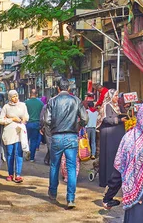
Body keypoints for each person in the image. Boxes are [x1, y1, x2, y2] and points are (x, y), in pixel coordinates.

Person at [42, 77, 88, 209]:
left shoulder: (52, 101)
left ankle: (53, 192)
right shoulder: (76, 100)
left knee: (54, 166)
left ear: (58, 88)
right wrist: (78, 125)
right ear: (68, 88)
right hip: (72, 137)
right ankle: (71, 198)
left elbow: (47, 120)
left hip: (56, 137)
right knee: (71, 167)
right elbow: (85, 118)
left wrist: (53, 128)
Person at [96, 89, 126, 188]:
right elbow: (106, 119)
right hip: (109, 135)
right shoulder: (107, 105)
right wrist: (119, 120)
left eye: (118, 96)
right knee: (109, 156)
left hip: (115, 135)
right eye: (115, 96)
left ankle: (115, 179)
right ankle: (108, 179)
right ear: (111, 96)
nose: (117, 98)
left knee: (115, 156)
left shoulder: (116, 106)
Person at [0, 89, 29, 183]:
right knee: (10, 154)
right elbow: (1, 120)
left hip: (20, 133)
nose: (15, 98)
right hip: (9, 133)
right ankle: (10, 174)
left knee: (19, 153)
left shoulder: (22, 105)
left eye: (16, 96)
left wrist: (23, 119)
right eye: (13, 96)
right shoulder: (6, 107)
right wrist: (12, 119)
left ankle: (18, 174)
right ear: (10, 98)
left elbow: (27, 116)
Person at [25, 89, 44, 162]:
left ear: (30, 94)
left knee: (26, 140)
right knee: (33, 141)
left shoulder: (26, 103)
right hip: (36, 124)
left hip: (27, 124)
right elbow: (42, 115)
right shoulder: (41, 103)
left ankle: (27, 153)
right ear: (36, 94)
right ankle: (32, 158)